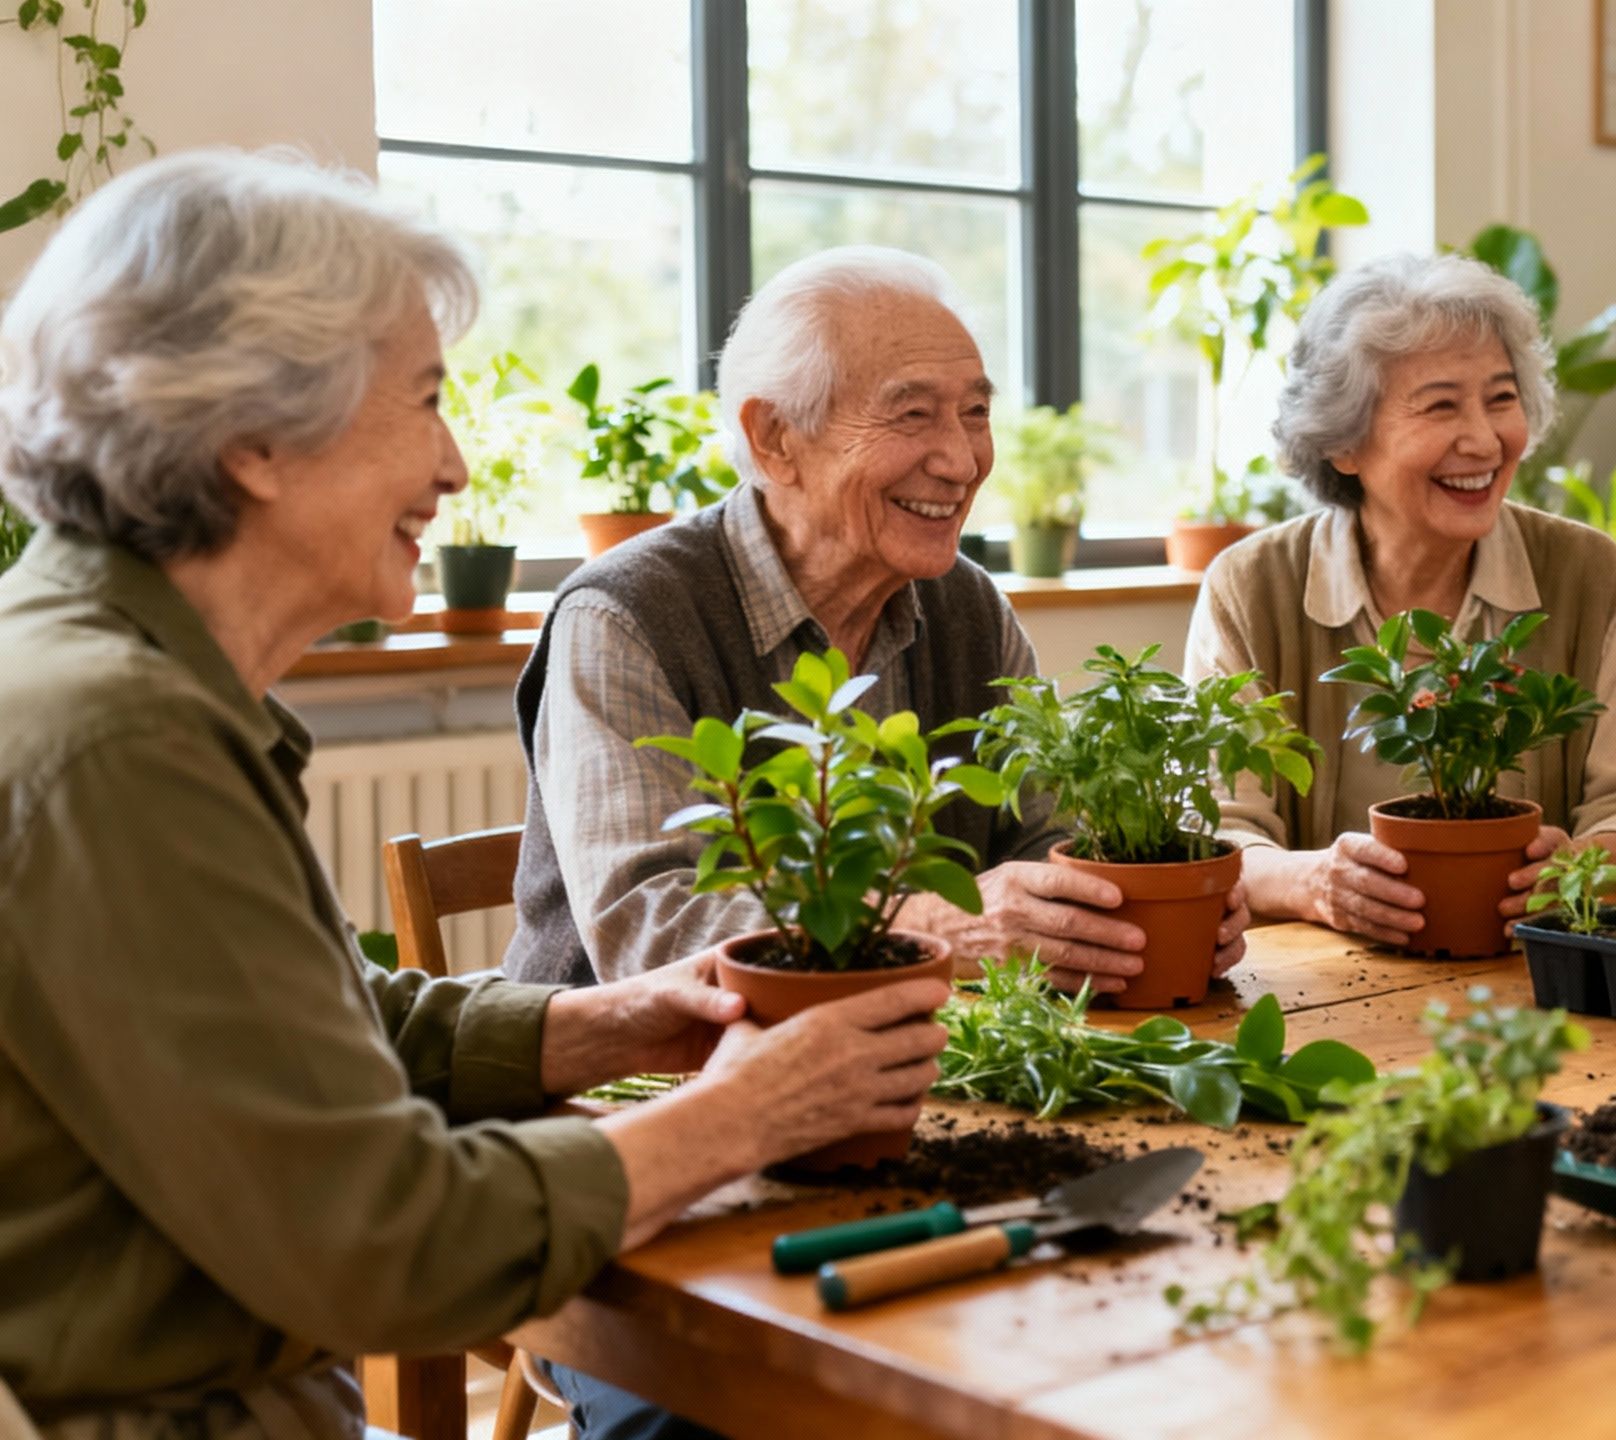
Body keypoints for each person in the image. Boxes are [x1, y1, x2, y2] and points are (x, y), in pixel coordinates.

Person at [0, 152, 948, 1439]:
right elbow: (384, 1239)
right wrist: (741, 1117)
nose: (453, 466)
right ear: (253, 436)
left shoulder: (112, 678)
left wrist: (605, 1028)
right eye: (425, 400)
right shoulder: (119, 740)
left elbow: (312, 1023)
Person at [501, 246, 1245, 996]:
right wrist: (930, 930)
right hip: (635, 1084)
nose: (961, 460)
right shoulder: (624, 617)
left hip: (916, 1056)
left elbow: (1049, 836)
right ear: (775, 438)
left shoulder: (967, 606)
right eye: (913, 414)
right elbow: (651, 933)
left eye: (976, 412)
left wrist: (1148, 899)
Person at [1183, 252, 1616, 946]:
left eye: (1502, 399)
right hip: (1317, 991)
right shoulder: (1251, 588)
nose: (1483, 440)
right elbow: (1218, 829)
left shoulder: (1590, 577)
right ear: (1345, 443)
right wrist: (1313, 883)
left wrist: (1580, 865)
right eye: (1441, 405)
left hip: (1534, 981)